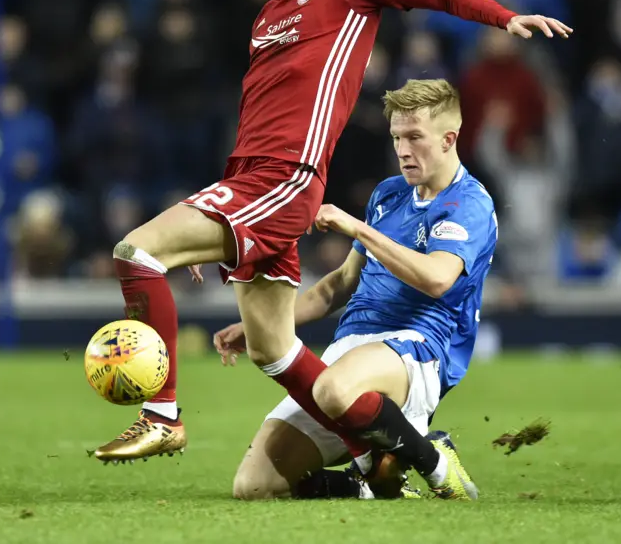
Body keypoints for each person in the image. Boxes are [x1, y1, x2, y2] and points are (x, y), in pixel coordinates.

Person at [93, 0, 570, 464]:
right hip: (251, 180)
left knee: (136, 252)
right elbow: (260, 116)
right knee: (273, 351)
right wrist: (212, 219)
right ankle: (406, 454)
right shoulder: (267, 17)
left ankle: (161, 415)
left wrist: (503, 17)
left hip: (285, 179)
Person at [213, 78, 497, 500]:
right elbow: (339, 285)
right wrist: (262, 325)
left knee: (331, 388)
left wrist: (358, 227)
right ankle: (381, 488)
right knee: (255, 487)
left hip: (416, 349)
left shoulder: (468, 203)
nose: (402, 149)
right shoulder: (389, 195)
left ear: (448, 139)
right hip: (351, 351)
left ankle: (434, 461)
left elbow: (438, 279)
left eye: (414, 137)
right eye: (397, 137)